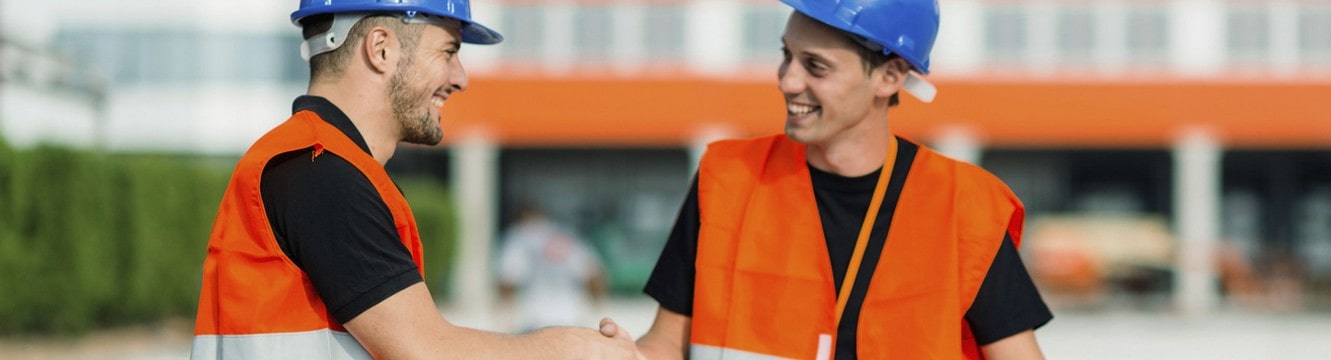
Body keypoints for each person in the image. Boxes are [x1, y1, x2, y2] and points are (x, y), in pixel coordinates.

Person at [191, 1, 639, 358]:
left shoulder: (323, 167)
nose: (460, 79)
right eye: (448, 52)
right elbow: (427, 351)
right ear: (381, 48)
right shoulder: (320, 172)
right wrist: (573, 350)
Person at [633, 0, 1053, 359]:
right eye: (787, 55)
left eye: (815, 66)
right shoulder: (726, 179)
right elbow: (667, 343)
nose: (787, 80)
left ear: (890, 76)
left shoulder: (964, 205)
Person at [497, 203, 608, 331]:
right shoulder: (565, 235)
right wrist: (596, 306)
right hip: (571, 319)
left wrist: (505, 314)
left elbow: (508, 279)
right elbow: (593, 274)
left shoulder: (519, 237)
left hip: (535, 321)